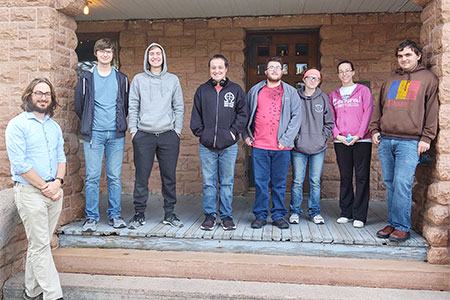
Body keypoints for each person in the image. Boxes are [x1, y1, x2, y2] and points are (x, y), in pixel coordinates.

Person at [369, 40, 438, 242]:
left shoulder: (428, 79)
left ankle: (402, 227)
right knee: (390, 183)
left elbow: (432, 111)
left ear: (418, 56)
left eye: (408, 55)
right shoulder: (391, 79)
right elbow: (379, 107)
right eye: (400, 56)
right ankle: (392, 222)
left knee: (402, 183)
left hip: (410, 142)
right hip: (387, 139)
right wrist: (374, 129)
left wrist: (427, 137)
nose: (403, 59)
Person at [6, 78, 65, 300]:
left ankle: (31, 292)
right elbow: (20, 165)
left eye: (47, 94)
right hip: (31, 192)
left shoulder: (54, 126)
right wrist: (44, 186)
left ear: (52, 99)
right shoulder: (17, 125)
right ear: (29, 95)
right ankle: (53, 295)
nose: (43, 97)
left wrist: (57, 182)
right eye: (39, 93)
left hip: (54, 191)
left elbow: (61, 157)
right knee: (41, 245)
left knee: (39, 244)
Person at [75, 38, 129, 232]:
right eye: (102, 51)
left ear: (112, 55)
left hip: (116, 134)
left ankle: (115, 215)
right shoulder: (86, 78)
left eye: (109, 51)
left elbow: (125, 106)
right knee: (92, 176)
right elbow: (79, 106)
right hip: (93, 134)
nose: (105, 54)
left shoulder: (121, 78)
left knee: (114, 176)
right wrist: (91, 122)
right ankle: (91, 217)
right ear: (96, 54)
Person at [128, 42, 184, 229]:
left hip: (168, 134)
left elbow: (179, 106)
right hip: (144, 134)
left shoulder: (173, 80)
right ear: (147, 58)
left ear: (163, 57)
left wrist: (177, 131)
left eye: (158, 53)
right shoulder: (138, 80)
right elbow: (133, 106)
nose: (155, 57)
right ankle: (139, 214)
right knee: (141, 177)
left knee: (169, 177)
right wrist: (134, 131)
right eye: (151, 54)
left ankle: (170, 213)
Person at [190, 54, 248, 231]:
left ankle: (226, 216)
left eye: (220, 67)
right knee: (209, 182)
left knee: (227, 182)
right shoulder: (202, 90)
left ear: (226, 69)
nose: (216, 70)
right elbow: (195, 117)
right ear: (210, 70)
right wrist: (203, 134)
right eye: (213, 67)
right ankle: (209, 215)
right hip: (207, 146)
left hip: (228, 146)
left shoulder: (236, 90)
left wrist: (232, 133)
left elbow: (243, 115)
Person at [244, 57, 301, 229]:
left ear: (282, 71)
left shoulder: (291, 92)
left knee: (279, 183)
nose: (275, 70)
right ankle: (260, 215)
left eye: (278, 67)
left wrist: (286, 139)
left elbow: (296, 117)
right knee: (261, 183)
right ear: (266, 71)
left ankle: (277, 215)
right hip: (259, 145)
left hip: (281, 146)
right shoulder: (255, 91)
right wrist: (246, 134)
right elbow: (245, 114)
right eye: (271, 68)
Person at [329, 61, 373, 228]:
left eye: (348, 71)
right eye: (341, 71)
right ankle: (346, 212)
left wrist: (359, 135)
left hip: (361, 140)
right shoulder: (333, 95)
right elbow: (331, 118)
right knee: (345, 176)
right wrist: (337, 135)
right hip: (341, 141)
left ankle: (360, 215)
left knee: (361, 177)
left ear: (353, 72)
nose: (345, 74)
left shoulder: (363, 91)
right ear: (338, 74)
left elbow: (368, 112)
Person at [289, 69, 334, 225]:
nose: (313, 80)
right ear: (304, 79)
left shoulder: (323, 98)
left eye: (316, 78)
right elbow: (289, 119)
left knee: (314, 181)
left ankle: (314, 212)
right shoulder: (295, 96)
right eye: (310, 78)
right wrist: (295, 139)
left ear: (319, 81)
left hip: (318, 148)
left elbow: (329, 123)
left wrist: (322, 138)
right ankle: (295, 211)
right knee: (297, 181)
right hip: (298, 147)